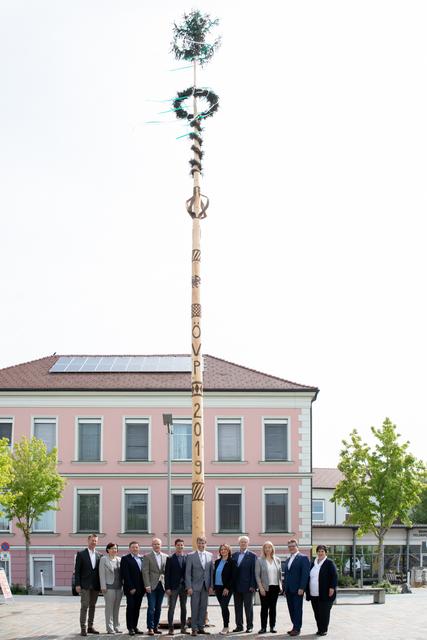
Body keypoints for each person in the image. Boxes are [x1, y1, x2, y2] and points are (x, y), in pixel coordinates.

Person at [306, 545, 338, 637]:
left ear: (325, 552)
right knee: (317, 613)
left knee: (324, 613)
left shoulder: (329, 563)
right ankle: (319, 629)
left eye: (322, 551)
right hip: (313, 593)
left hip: (325, 594)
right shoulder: (313, 563)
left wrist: (332, 587)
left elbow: (334, 576)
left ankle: (324, 630)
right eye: (319, 551)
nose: (320, 553)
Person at [74, 533, 102, 636]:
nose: (94, 542)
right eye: (92, 540)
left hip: (95, 585)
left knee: (93, 606)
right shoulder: (81, 554)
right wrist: (77, 584)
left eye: (95, 541)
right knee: (84, 606)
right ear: (88, 541)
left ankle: (90, 627)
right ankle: (83, 628)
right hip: (84, 585)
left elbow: (100, 572)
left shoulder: (100, 555)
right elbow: (77, 571)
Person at [185, 536, 214, 636]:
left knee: (203, 607)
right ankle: (194, 628)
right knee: (194, 607)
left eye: (203, 543)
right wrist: (189, 587)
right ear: (197, 544)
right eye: (199, 543)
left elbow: (211, 572)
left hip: (206, 586)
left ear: (206, 544)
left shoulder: (210, 555)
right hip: (194, 586)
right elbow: (187, 573)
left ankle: (201, 627)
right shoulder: (190, 555)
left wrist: (211, 586)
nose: (201, 545)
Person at [282, 539, 310, 637]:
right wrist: (284, 589)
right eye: (289, 546)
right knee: (291, 609)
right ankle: (294, 626)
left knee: (297, 609)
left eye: (293, 546)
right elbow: (286, 575)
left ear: (297, 546)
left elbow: (305, 574)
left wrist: (302, 587)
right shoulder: (288, 559)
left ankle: (297, 628)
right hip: (289, 589)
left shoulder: (303, 558)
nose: (291, 548)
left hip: (298, 589)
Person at [255, 541, 282, 634]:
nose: (267, 549)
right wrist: (261, 587)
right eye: (265, 547)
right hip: (264, 588)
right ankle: (263, 627)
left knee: (273, 608)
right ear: (263, 549)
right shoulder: (259, 560)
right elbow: (257, 576)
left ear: (272, 549)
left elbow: (279, 574)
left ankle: (272, 626)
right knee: (264, 608)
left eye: (269, 547)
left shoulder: (277, 560)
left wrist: (281, 586)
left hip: (275, 587)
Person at [143, 537, 168, 635]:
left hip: (161, 585)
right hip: (151, 586)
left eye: (158, 544)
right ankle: (150, 628)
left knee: (159, 607)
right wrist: (147, 585)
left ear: (161, 545)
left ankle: (156, 627)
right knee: (151, 607)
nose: (157, 546)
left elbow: (167, 571)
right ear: (152, 545)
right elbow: (145, 572)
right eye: (155, 544)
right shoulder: (147, 556)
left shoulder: (166, 556)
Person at [231, 535, 257, 633]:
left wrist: (253, 585)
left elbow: (253, 572)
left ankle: (249, 626)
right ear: (239, 543)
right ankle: (239, 626)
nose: (243, 543)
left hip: (248, 587)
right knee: (237, 607)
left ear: (248, 543)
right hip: (236, 586)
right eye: (241, 542)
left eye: (245, 542)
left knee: (248, 607)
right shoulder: (234, 555)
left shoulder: (252, 556)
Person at [120, 541, 145, 636]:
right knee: (130, 607)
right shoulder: (125, 559)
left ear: (139, 548)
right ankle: (130, 627)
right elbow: (125, 575)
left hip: (140, 589)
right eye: (133, 547)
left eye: (136, 547)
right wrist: (131, 587)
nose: (135, 549)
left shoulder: (142, 558)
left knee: (137, 608)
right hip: (130, 589)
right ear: (129, 548)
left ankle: (135, 626)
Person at [165, 538, 188, 635]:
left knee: (184, 607)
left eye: (182, 545)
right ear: (175, 546)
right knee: (172, 608)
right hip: (173, 587)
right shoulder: (170, 559)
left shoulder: (187, 558)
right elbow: (167, 574)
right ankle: (171, 628)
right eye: (178, 545)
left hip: (184, 587)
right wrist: (167, 588)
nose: (180, 546)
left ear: (183, 546)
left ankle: (183, 627)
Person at [99, 542, 123, 634]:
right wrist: (103, 586)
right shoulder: (104, 559)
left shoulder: (120, 559)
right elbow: (101, 573)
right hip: (109, 587)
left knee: (117, 608)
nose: (114, 550)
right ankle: (109, 628)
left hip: (119, 587)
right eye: (112, 548)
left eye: (116, 548)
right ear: (108, 550)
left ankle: (116, 626)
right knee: (109, 608)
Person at [213, 543, 236, 635]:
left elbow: (233, 576)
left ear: (228, 551)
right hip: (218, 588)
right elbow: (215, 574)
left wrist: (227, 587)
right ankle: (226, 626)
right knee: (223, 607)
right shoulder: (217, 561)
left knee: (224, 605)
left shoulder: (232, 561)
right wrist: (214, 587)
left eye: (225, 549)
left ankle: (226, 626)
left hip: (226, 588)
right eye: (221, 549)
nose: (223, 551)